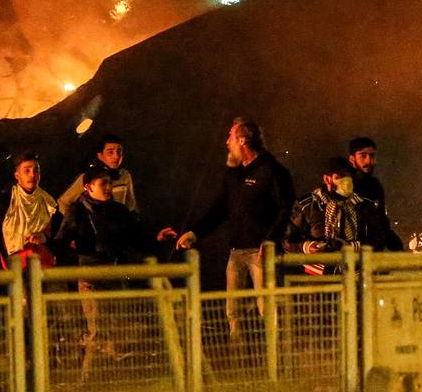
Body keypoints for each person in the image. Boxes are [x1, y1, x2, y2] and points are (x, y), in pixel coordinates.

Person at [177, 118, 295, 337]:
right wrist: (196, 232)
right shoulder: (235, 173)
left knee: (268, 308)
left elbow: (286, 207)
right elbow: (222, 207)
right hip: (236, 250)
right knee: (233, 311)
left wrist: (271, 240)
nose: (226, 142)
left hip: (261, 252)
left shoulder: (272, 170)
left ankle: (277, 358)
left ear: (243, 140)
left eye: (230, 136)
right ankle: (236, 355)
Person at [56, 163, 173, 377]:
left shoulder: (118, 210)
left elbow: (135, 235)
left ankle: (114, 375)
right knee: (96, 328)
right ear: (88, 187)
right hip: (89, 272)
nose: (109, 188)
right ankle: (88, 378)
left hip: (113, 270)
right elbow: (62, 240)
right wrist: (50, 246)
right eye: (103, 183)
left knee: (116, 324)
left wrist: (156, 237)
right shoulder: (77, 211)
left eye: (110, 183)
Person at [286, 158, 402, 268]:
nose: (346, 181)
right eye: (339, 177)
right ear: (327, 179)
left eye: (349, 177)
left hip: (355, 272)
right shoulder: (307, 205)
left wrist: (352, 247)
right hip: (317, 278)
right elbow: (287, 241)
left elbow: (378, 240)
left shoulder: (364, 206)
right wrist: (306, 247)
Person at [347, 137, 402, 248]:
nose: (368, 161)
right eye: (363, 155)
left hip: (372, 250)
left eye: (372, 156)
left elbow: (381, 218)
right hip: (350, 251)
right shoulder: (345, 186)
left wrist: (393, 242)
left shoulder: (375, 186)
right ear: (352, 159)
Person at [58, 133, 137, 211]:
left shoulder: (125, 175)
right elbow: (64, 202)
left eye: (119, 152)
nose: (116, 156)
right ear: (100, 156)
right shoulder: (89, 176)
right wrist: (74, 221)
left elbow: (130, 204)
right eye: (110, 152)